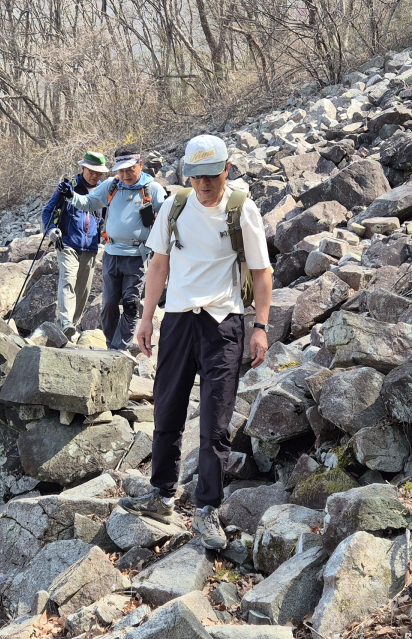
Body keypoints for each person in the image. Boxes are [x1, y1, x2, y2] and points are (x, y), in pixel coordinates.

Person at [118, 134, 273, 551]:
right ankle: (162, 494)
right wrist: (146, 319)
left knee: (215, 421)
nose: (203, 183)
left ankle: (207, 507)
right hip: (178, 320)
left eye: (211, 175)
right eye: (196, 175)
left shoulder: (243, 211)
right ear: (187, 174)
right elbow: (159, 265)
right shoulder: (175, 206)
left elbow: (262, 273)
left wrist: (260, 327)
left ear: (227, 170)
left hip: (223, 324)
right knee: (167, 408)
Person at [63, 145, 167, 351]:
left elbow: (167, 218)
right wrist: (69, 195)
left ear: (140, 165)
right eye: (121, 171)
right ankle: (112, 345)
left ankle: (121, 347)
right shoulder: (111, 185)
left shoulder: (153, 189)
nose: (125, 175)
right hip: (111, 254)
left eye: (130, 169)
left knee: (131, 303)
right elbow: (88, 203)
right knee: (109, 304)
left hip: (138, 256)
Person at [43, 152, 109, 339]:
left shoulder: (104, 191)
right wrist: (52, 229)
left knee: (83, 289)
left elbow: (108, 216)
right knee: (68, 280)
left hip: (91, 246)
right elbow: (47, 211)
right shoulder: (68, 187)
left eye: (99, 172)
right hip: (67, 243)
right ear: (83, 168)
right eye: (92, 171)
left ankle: (71, 326)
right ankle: (65, 322)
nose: (95, 175)